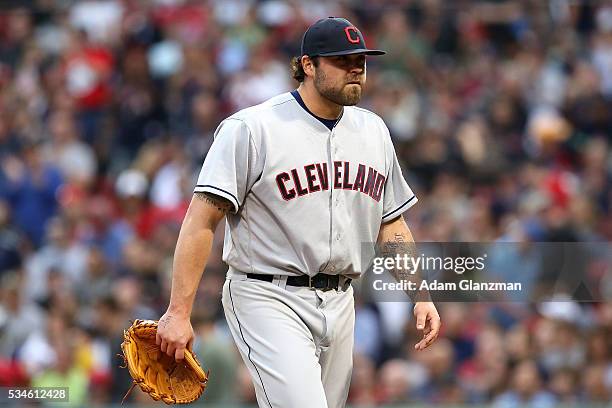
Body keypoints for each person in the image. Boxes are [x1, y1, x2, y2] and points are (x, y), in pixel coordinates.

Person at [156, 17, 441, 408]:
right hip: (267, 295)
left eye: (360, 60)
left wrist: (420, 295)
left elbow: (391, 224)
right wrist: (178, 311)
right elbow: (202, 220)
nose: (355, 68)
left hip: (342, 300)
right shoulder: (252, 128)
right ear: (308, 65)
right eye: (343, 60)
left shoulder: (374, 131)